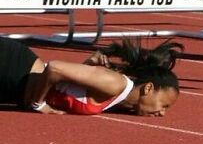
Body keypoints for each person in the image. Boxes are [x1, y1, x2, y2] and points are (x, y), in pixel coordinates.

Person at [0, 37, 180, 116]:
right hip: (12, 68)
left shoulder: (119, 99)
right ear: (148, 88)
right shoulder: (115, 84)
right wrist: (38, 105)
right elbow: (54, 69)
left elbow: (72, 89)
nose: (162, 113)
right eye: (164, 104)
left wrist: (87, 65)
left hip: (13, 88)